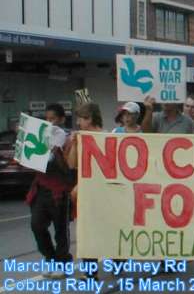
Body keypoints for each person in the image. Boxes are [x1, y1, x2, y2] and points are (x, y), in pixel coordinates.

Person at [26, 104, 75, 279]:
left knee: (61, 229)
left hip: (60, 191)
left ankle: (64, 262)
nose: (50, 122)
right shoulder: (40, 136)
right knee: (37, 225)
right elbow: (29, 160)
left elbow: (70, 167)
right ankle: (51, 258)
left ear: (62, 119)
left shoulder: (68, 139)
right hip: (41, 188)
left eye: (53, 119)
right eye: (47, 119)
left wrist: (58, 151)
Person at [66, 103, 104, 280]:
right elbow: (72, 165)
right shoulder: (80, 138)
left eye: (81, 119)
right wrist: (74, 144)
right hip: (86, 193)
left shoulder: (105, 137)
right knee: (86, 231)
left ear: (90, 118)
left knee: (104, 229)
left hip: (104, 192)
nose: (78, 122)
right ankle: (90, 272)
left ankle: (118, 258)